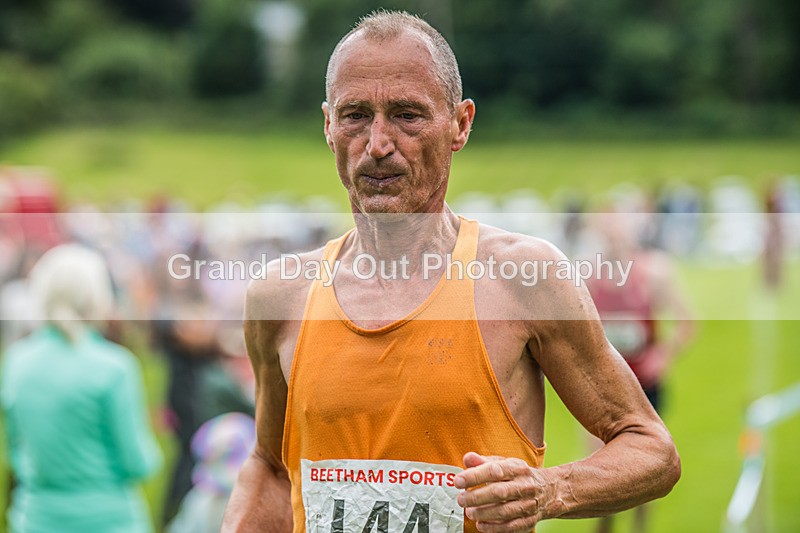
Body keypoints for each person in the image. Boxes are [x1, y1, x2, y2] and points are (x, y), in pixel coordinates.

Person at [222, 10, 680, 533]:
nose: (377, 144)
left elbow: (650, 449)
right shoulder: (279, 297)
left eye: (406, 115)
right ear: (328, 125)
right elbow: (272, 468)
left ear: (460, 124)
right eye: (355, 116)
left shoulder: (523, 279)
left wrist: (548, 490)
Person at [0, 244, 163, 532]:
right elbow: (138, 462)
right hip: (108, 519)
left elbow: (15, 448)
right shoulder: (114, 367)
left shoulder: (16, 362)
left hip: (37, 517)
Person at [586, 211, 694, 533]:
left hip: (644, 383)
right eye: (607, 235)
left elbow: (687, 322)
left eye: (618, 234)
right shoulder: (590, 276)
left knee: (644, 469)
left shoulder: (654, 273)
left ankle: (639, 528)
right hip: (603, 386)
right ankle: (604, 528)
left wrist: (663, 355)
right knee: (599, 468)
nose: (613, 241)